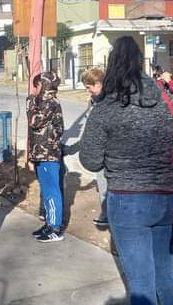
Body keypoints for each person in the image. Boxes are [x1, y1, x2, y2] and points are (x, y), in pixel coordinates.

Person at [78, 36, 173, 305]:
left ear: (112, 65)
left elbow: (90, 161)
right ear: (141, 63)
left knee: (141, 282)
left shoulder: (105, 108)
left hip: (128, 198)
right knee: (166, 273)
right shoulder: (167, 101)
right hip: (166, 195)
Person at [63, 67, 108, 227]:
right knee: (102, 183)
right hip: (99, 152)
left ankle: (109, 215)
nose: (88, 92)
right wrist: (71, 149)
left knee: (107, 186)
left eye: (89, 88)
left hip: (110, 152)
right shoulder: (93, 102)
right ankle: (106, 214)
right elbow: (89, 133)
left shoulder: (109, 102)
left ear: (98, 84)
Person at [27, 72, 66, 243]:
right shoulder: (43, 102)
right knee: (47, 190)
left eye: (37, 86)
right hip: (41, 152)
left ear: (43, 85)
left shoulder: (50, 103)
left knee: (51, 191)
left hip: (48, 154)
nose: (34, 90)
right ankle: (49, 224)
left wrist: (30, 102)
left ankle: (55, 228)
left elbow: (35, 121)